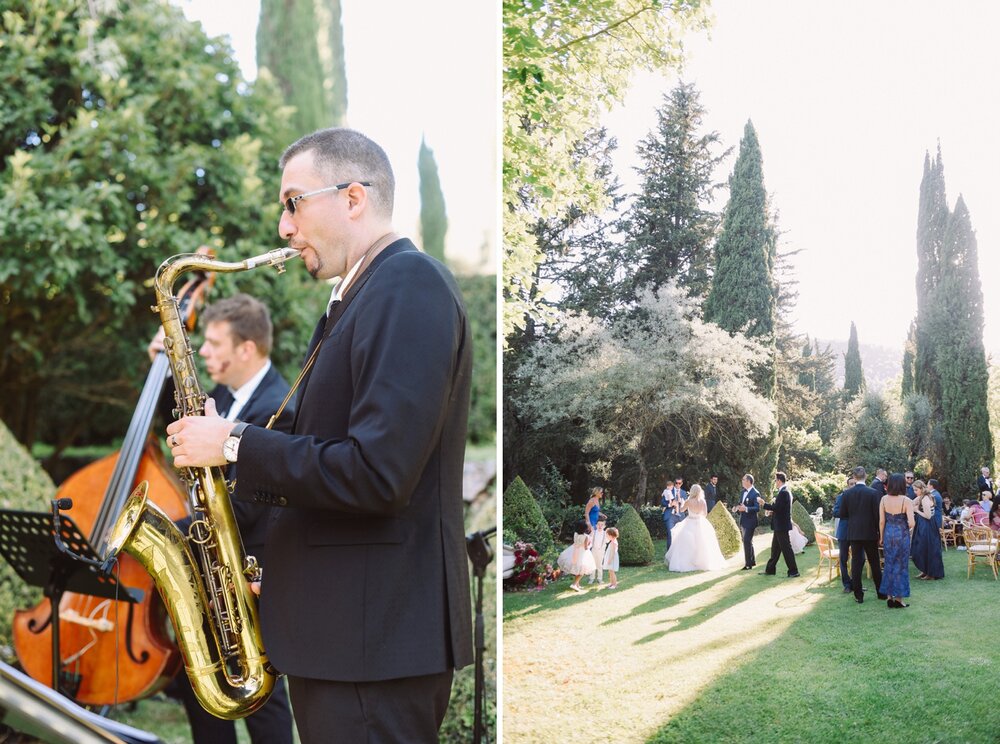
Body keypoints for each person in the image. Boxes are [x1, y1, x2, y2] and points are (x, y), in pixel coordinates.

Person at [165, 128, 473, 742]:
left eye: (292, 202)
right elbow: (332, 462)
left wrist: (231, 444)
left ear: (352, 198)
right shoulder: (357, 297)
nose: (284, 227)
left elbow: (378, 473)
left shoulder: (408, 284)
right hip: (353, 643)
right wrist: (281, 570)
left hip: (372, 650)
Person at [150, 294, 295, 744]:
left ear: (247, 348)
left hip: (247, 573)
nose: (205, 352)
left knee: (263, 702)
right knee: (205, 689)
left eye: (213, 343)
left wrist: (172, 539)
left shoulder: (280, 407)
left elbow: (248, 505)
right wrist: (159, 368)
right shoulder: (220, 398)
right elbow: (171, 423)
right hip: (213, 567)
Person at [840, 466, 886, 604]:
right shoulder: (873, 493)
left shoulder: (847, 494)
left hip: (854, 532)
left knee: (856, 563)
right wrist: (879, 532)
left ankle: (858, 595)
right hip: (870, 532)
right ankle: (881, 592)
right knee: (874, 563)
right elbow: (877, 515)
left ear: (854, 477)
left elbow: (843, 514)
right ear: (865, 476)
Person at [664, 484, 726, 572]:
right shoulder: (703, 501)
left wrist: (681, 502)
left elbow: (681, 510)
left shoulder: (688, 501)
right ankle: (703, 563)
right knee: (702, 543)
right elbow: (705, 514)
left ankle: (687, 563)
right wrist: (698, 515)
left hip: (690, 522)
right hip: (701, 522)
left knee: (687, 543)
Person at [878, 473, 916, 608]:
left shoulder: (883, 499)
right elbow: (912, 523)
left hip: (888, 534)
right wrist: (907, 528)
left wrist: (881, 537)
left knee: (889, 564)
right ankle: (899, 599)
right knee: (901, 566)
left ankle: (889, 596)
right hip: (902, 535)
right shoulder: (906, 500)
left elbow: (882, 521)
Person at [761, 472, 800, 578]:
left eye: (775, 480)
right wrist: (772, 511)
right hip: (779, 525)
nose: (775, 483)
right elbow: (781, 508)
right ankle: (770, 570)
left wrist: (763, 504)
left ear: (779, 480)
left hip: (781, 525)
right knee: (775, 550)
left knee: (786, 549)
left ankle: (794, 571)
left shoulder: (784, 492)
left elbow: (777, 508)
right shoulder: (784, 491)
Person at [910, 479, 944, 580]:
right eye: (914, 490)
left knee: (927, 548)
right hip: (922, 525)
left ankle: (931, 573)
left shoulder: (925, 498)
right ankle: (925, 570)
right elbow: (911, 503)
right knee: (921, 548)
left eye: (916, 490)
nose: (914, 492)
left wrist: (916, 510)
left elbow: (928, 516)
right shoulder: (922, 497)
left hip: (927, 526)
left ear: (921, 489)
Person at [558, 520, 597, 592]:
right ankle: (574, 584)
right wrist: (590, 545)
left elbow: (576, 542)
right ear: (585, 528)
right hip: (582, 553)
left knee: (578, 568)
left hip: (574, 550)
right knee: (582, 569)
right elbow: (585, 547)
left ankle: (577, 584)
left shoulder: (575, 533)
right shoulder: (586, 537)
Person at [832, 476, 855, 593]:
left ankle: (855, 583)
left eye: (854, 484)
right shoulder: (841, 497)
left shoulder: (859, 498)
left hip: (857, 532)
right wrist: (848, 513)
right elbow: (835, 512)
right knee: (843, 559)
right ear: (847, 485)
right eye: (851, 484)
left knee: (858, 559)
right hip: (844, 532)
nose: (853, 486)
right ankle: (847, 584)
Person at [733, 474, 761, 570]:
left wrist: (746, 509)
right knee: (748, 541)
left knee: (746, 541)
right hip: (743, 521)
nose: (742, 481)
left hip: (751, 521)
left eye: (743, 479)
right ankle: (752, 561)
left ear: (749, 481)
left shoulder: (755, 493)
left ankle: (748, 564)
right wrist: (736, 508)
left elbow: (757, 508)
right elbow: (741, 504)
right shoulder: (742, 492)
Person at [661, 478, 687, 551]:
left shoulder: (684, 493)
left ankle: (680, 552)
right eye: (676, 483)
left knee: (681, 535)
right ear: (674, 483)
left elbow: (685, 505)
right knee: (670, 534)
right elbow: (662, 502)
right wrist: (670, 504)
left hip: (680, 516)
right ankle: (669, 555)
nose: (678, 485)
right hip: (670, 516)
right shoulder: (668, 490)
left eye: (679, 483)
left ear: (682, 483)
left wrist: (681, 501)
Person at [589, 513, 608, 585]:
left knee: (599, 565)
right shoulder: (594, 532)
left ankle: (600, 578)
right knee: (593, 564)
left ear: (604, 526)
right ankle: (592, 578)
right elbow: (590, 540)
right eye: (598, 524)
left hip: (601, 551)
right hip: (593, 550)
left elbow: (607, 541)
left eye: (602, 525)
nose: (600, 526)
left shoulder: (605, 533)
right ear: (596, 525)